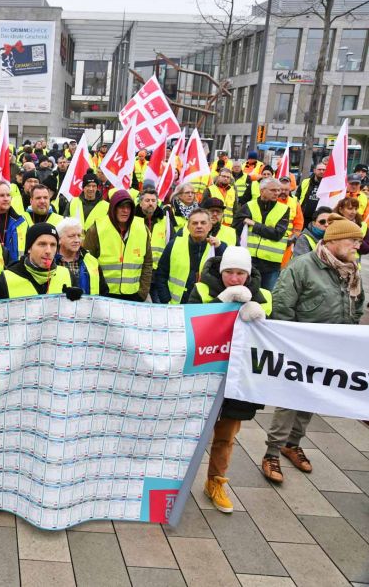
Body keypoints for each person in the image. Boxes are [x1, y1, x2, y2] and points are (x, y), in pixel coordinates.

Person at [262, 214, 366, 484]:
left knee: (312, 397)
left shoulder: (352, 271)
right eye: (352, 240)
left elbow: (357, 306)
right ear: (333, 241)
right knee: (290, 399)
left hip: (330, 349)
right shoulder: (302, 267)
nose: (357, 245)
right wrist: (290, 341)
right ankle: (272, 451)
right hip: (300, 348)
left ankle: (292, 444)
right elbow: (282, 305)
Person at [188, 246, 271, 513]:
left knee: (226, 436)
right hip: (205, 372)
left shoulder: (265, 296)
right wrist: (220, 305)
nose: (235, 279)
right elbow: (188, 325)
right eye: (229, 273)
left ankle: (216, 483)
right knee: (189, 433)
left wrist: (260, 315)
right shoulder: (202, 290)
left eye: (240, 273)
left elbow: (273, 336)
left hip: (239, 378)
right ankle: (175, 484)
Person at [83, 190, 153, 302]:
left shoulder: (142, 228)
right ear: (113, 208)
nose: (125, 211)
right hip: (105, 296)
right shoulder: (96, 229)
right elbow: (87, 261)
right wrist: (97, 291)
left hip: (134, 296)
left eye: (128, 207)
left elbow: (147, 263)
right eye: (121, 207)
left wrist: (142, 292)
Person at [153, 209, 226, 304]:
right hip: (175, 305)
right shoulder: (174, 244)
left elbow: (226, 276)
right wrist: (166, 299)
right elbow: (161, 274)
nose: (199, 226)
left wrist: (219, 248)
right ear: (188, 227)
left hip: (205, 307)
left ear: (210, 226)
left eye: (203, 223)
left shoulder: (218, 247)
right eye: (195, 223)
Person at [0, 223, 80, 300]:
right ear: (29, 248)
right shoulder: (5, 280)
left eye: (53, 245)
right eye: (42, 244)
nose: (48, 251)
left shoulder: (68, 275)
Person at [234, 177, 289, 290]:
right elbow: (236, 227)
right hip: (249, 260)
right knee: (245, 294)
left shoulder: (284, 209)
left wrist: (254, 225)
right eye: (273, 190)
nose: (277, 193)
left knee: (266, 297)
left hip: (271, 263)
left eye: (278, 190)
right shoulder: (249, 206)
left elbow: (277, 234)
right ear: (262, 191)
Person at [56, 217, 107, 296]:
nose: (77, 240)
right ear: (59, 239)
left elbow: (103, 292)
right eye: (71, 236)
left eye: (79, 236)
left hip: (88, 307)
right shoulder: (50, 261)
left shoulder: (92, 261)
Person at [0, 180, 28, 261]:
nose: (6, 199)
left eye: (8, 195)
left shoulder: (21, 222)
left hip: (13, 269)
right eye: (1, 196)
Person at [136, 189, 171, 269]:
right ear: (140, 203)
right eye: (147, 200)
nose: (151, 203)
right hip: (137, 269)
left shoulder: (166, 221)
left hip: (158, 270)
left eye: (153, 200)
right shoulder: (133, 220)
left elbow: (171, 246)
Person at [297, 161, 326, 226]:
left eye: (324, 170)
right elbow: (297, 197)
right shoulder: (306, 181)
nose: (321, 171)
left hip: (320, 218)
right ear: (314, 170)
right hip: (303, 216)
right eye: (319, 169)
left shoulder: (328, 184)